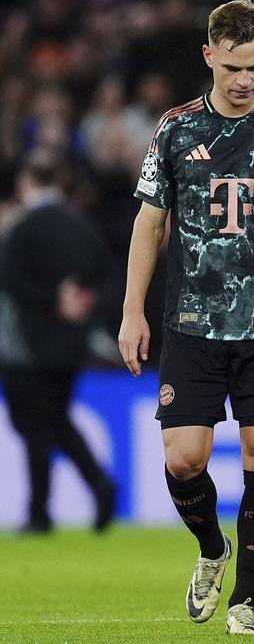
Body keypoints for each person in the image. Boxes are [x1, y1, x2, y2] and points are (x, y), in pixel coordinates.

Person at [117, 0, 254, 635]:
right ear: (209, 56)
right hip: (190, 324)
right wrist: (134, 311)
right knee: (185, 459)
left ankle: (243, 599)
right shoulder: (176, 130)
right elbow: (148, 225)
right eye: (232, 67)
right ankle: (213, 550)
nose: (244, 80)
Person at [0, 151, 117, 535]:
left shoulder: (23, 227)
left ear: (25, 184)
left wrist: (53, 299)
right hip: (70, 343)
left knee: (35, 426)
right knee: (55, 420)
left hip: (26, 345)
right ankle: (99, 486)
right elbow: (108, 276)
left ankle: (39, 513)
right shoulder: (82, 224)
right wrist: (84, 302)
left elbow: (10, 280)